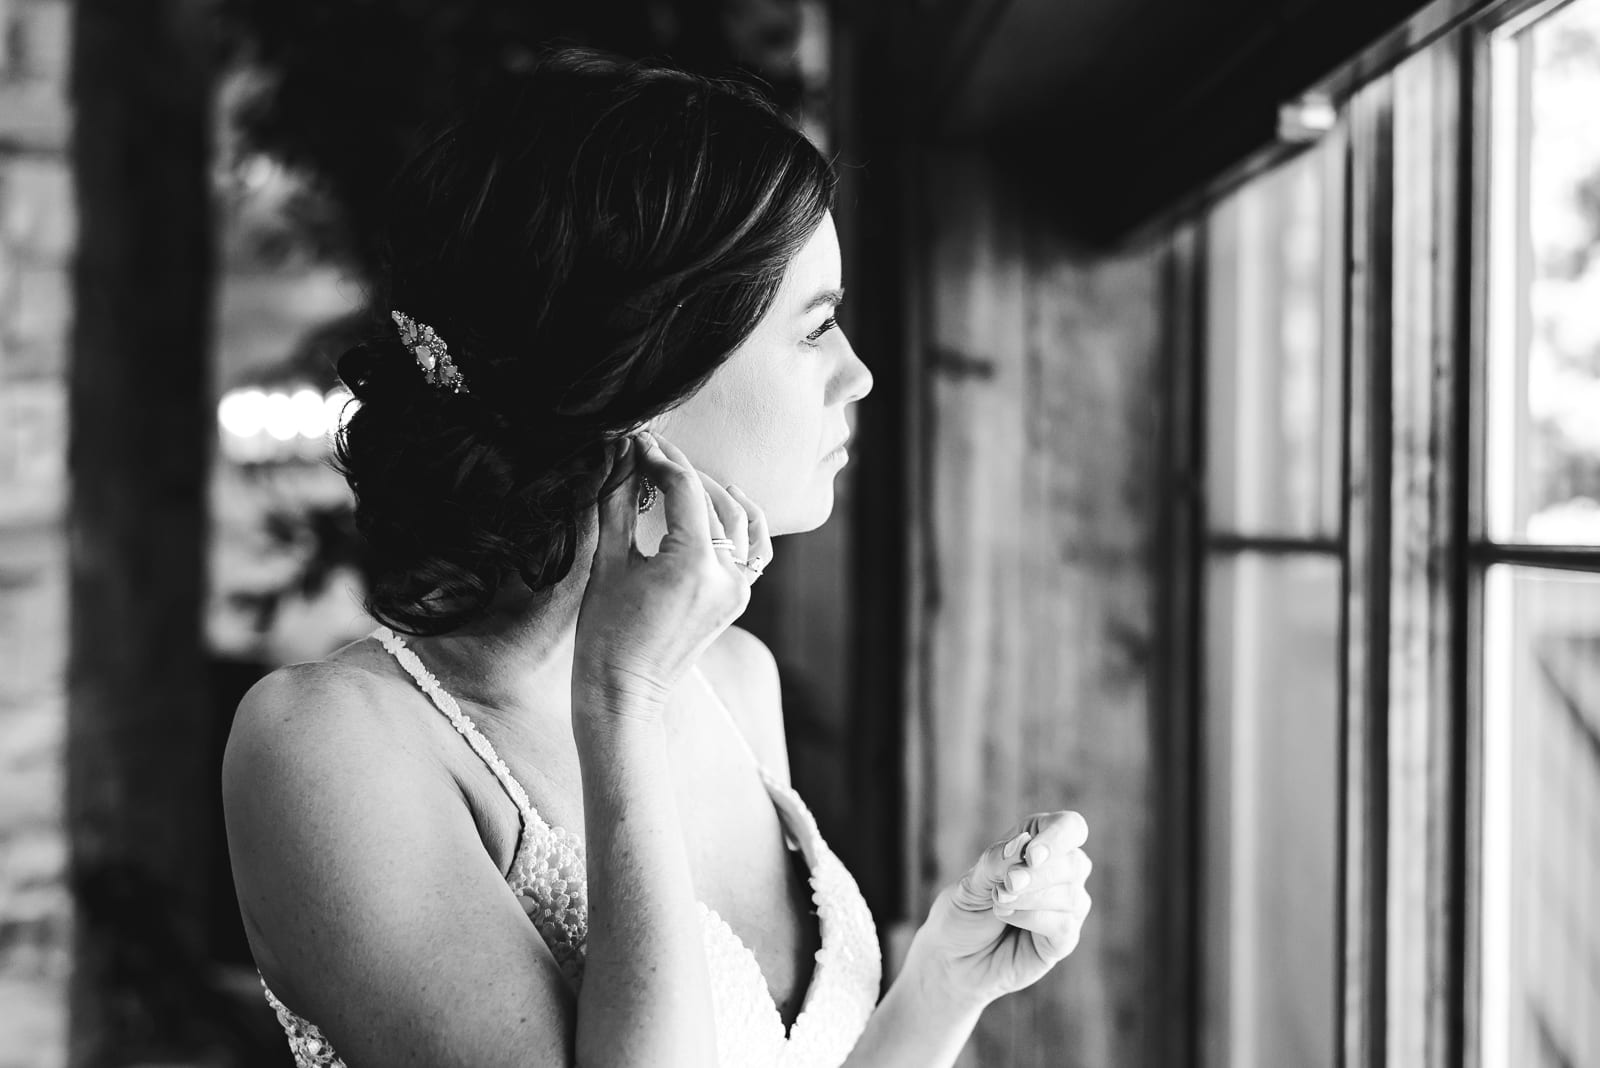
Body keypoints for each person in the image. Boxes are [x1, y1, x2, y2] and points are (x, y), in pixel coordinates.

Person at [221, 45, 1093, 1068]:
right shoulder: (330, 746)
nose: (858, 375)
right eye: (816, 327)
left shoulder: (736, 681)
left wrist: (943, 984)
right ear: (647, 376)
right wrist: (620, 701)